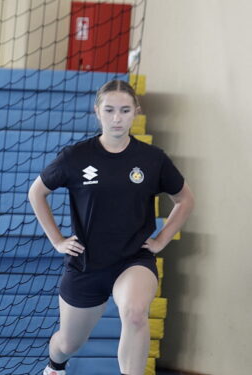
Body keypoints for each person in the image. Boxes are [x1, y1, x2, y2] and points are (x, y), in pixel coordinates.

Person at [29, 80, 195, 375]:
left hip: (133, 260)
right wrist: (57, 240)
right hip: (86, 264)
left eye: (124, 110)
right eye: (109, 110)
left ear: (136, 112)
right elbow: (37, 193)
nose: (117, 118)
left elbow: (184, 199)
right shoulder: (75, 156)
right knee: (68, 343)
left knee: (134, 314)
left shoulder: (152, 159)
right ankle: (55, 366)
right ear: (97, 112)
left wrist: (160, 241)